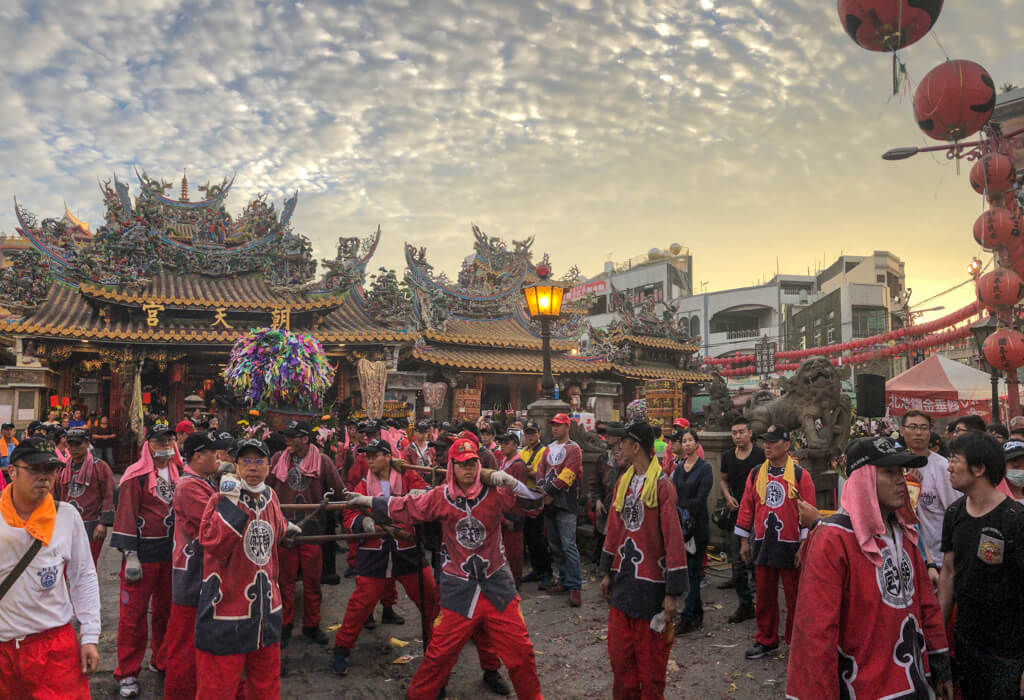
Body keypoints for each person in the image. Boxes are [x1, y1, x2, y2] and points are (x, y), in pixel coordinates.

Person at [340, 437, 545, 700]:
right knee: (439, 654)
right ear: (451, 467)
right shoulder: (441, 497)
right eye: (461, 464)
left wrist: (513, 483)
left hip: (497, 585)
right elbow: (406, 506)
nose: (468, 469)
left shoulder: (495, 493)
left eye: (472, 463)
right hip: (459, 586)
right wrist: (368, 501)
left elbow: (535, 506)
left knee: (521, 653)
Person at [786, 437, 952, 699]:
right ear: (863, 480)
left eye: (901, 471)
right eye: (889, 472)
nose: (901, 479)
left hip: (915, 684)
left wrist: (940, 663)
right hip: (862, 687)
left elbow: (926, 604)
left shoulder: (905, 533)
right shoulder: (833, 539)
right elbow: (816, 633)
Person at [195, 438, 297, 699]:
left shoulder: (271, 496)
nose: (253, 467)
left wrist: (286, 527)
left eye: (259, 461)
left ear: (269, 466)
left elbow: (277, 528)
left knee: (266, 686)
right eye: (246, 461)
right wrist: (230, 501)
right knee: (217, 688)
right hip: (226, 612)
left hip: (266, 611)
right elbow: (214, 544)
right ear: (236, 466)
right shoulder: (220, 499)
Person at [0, 437, 101, 698]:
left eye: (51, 469)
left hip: (54, 646)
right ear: (12, 472)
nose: (44, 477)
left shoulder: (66, 516)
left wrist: (90, 635)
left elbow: (84, 577)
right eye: (35, 469)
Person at [600, 421, 687, 700]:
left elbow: (674, 539)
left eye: (622, 442)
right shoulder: (623, 483)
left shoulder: (663, 486)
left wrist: (672, 593)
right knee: (620, 663)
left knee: (651, 671)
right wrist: (606, 571)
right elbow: (614, 528)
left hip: (651, 588)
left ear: (635, 446)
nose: (618, 447)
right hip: (623, 584)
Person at [939, 430, 1024, 699]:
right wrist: (939, 635)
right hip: (967, 642)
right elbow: (949, 573)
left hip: (1009, 651)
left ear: (978, 468)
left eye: (954, 459)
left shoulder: (1015, 519)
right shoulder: (954, 513)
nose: (948, 467)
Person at [734, 424, 816, 660]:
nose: (767, 446)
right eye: (765, 442)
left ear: (787, 445)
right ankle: (766, 640)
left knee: (795, 597)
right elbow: (747, 507)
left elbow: (808, 512)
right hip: (763, 542)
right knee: (764, 596)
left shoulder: (801, 475)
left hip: (791, 544)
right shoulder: (756, 473)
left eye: (773, 442)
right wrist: (743, 541)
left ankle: (797, 641)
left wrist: (804, 545)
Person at [110, 423, 179, 697]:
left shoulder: (179, 473)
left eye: (169, 440)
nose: (164, 446)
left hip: (170, 555)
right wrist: (130, 555)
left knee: (166, 612)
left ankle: (160, 659)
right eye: (159, 441)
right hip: (142, 555)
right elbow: (126, 515)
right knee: (132, 618)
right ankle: (127, 672)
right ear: (148, 444)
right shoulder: (135, 476)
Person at [267, 419, 345, 646]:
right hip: (284, 530)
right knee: (284, 581)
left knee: (312, 582)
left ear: (305, 438)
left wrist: (353, 506)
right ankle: (285, 624)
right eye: (286, 436)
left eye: (292, 437)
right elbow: (267, 489)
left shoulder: (322, 461)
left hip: (312, 530)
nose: (287, 441)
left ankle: (312, 624)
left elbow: (339, 492)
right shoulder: (276, 460)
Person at [162, 431, 219, 700]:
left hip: (200, 572)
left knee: (194, 641)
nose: (218, 458)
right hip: (191, 574)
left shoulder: (201, 481)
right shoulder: (189, 487)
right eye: (213, 453)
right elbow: (218, 522)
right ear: (198, 456)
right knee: (184, 643)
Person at [902, 411, 958, 579]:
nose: (918, 432)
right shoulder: (895, 466)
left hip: (939, 558)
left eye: (923, 428)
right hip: (908, 556)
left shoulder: (943, 467)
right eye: (912, 427)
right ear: (902, 430)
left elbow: (954, 511)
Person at [537, 412, 584, 606]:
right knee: (555, 544)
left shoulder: (574, 449)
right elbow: (541, 469)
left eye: (558, 425)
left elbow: (568, 475)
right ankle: (564, 579)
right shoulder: (547, 449)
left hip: (566, 502)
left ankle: (575, 586)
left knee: (568, 545)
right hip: (549, 502)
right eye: (553, 425)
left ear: (567, 427)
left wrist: (547, 491)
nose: (554, 428)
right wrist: (541, 488)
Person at [719, 416, 763, 623]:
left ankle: (762, 603)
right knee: (737, 560)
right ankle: (745, 604)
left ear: (750, 433)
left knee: (756, 559)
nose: (737, 436)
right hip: (736, 514)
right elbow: (723, 480)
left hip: (758, 515)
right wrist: (728, 497)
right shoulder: (728, 456)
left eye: (741, 432)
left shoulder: (761, 455)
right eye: (734, 433)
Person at [671, 428, 713, 633]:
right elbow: (673, 492)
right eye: (684, 441)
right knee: (688, 571)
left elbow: (701, 497)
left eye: (690, 440)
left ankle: (687, 616)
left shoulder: (705, 468)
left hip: (697, 526)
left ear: (697, 443)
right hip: (681, 525)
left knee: (695, 571)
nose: (686, 444)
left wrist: (684, 508)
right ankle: (697, 613)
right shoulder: (679, 468)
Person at [54, 428, 115, 566]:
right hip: (66, 525)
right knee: (63, 566)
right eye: (70, 445)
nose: (74, 448)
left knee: (87, 567)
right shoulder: (62, 468)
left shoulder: (100, 467)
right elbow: (56, 496)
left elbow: (108, 495)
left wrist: (103, 523)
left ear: (87, 444)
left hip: (92, 526)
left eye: (78, 444)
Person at [518, 421, 552, 586]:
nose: (530, 436)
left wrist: (528, 471)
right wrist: (527, 471)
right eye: (528, 433)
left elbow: (539, 473)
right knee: (529, 538)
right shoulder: (522, 451)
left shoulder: (544, 451)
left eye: (533, 433)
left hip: (537, 498)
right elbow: (521, 470)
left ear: (539, 433)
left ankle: (546, 572)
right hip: (523, 498)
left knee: (537, 538)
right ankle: (536, 570)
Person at [588, 422, 625, 564]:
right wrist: (597, 500)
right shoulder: (604, 458)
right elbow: (594, 482)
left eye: (611, 434)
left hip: (620, 506)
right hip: (604, 505)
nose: (607, 437)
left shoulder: (627, 459)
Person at [497, 431, 529, 587]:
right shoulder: (503, 461)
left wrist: (510, 515)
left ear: (516, 446)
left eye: (507, 443)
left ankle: (515, 580)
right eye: (502, 443)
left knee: (514, 550)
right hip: (502, 508)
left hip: (514, 511)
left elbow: (518, 490)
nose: (503, 446)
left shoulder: (518, 465)